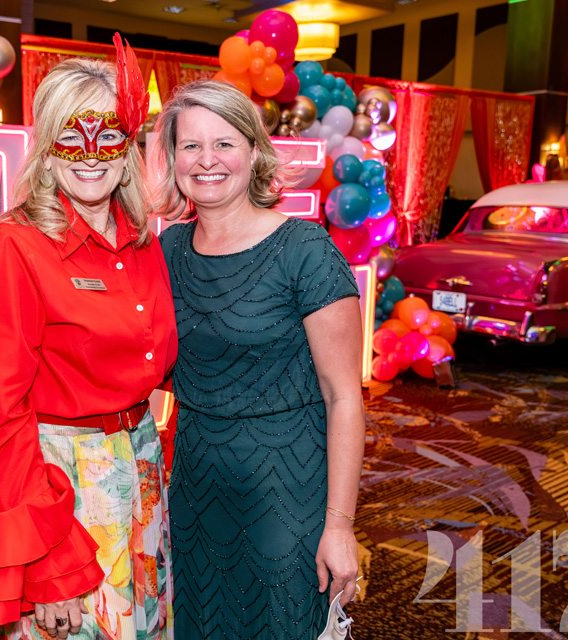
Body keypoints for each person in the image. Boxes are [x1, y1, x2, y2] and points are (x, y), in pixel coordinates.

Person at [0, 38, 177, 640]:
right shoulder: (12, 248)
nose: (89, 154)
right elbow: (0, 417)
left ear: (128, 148)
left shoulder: (142, 243)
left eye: (107, 133)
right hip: (57, 482)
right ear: (46, 151)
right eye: (69, 134)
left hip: (140, 465)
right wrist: (44, 561)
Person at [154, 80, 366, 639]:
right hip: (197, 487)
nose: (206, 160)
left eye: (224, 143)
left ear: (253, 152)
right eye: (190, 145)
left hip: (286, 493)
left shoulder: (305, 251)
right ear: (173, 158)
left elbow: (344, 397)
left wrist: (340, 527)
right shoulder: (167, 251)